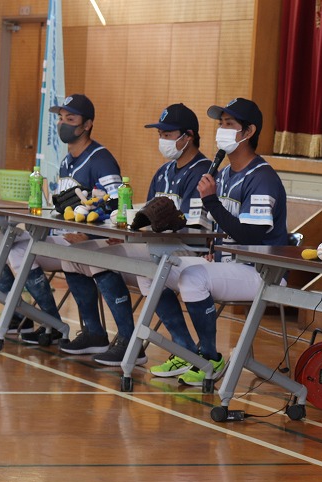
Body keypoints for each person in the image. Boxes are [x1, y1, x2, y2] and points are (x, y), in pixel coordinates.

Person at [55, 103, 214, 366]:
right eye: (159, 134)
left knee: (135, 262)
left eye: (168, 134)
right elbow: (148, 217)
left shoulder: (203, 171)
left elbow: (191, 227)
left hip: (187, 249)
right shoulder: (163, 171)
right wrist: (128, 233)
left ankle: (165, 345)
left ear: (188, 136)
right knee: (76, 254)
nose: (162, 140)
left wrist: (140, 236)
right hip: (156, 246)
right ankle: (97, 333)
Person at [0, 94, 123, 349]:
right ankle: (21, 316)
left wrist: (90, 235)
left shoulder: (101, 159)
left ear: (87, 124)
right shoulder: (66, 161)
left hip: (88, 243)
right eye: (61, 118)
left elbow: (119, 205)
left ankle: (53, 324)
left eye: (71, 119)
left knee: (21, 252)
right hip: (61, 238)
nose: (63, 124)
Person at [159, 97, 289, 386]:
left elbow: (250, 236)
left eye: (229, 124)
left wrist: (211, 201)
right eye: (220, 124)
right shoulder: (226, 173)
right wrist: (211, 250)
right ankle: (185, 350)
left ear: (248, 132)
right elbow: (219, 227)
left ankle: (209, 356)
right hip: (229, 265)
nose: (222, 130)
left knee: (192, 277)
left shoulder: (262, 177)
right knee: (155, 268)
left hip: (262, 271)